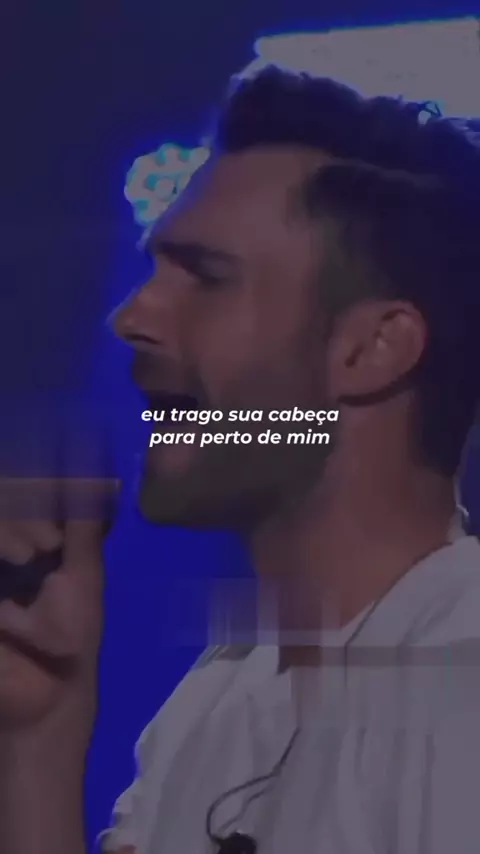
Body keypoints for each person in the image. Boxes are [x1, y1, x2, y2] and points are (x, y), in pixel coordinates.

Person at [1, 65, 480, 854]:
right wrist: (39, 741)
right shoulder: (216, 697)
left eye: (206, 278)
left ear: (372, 348)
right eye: (155, 270)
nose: (131, 316)